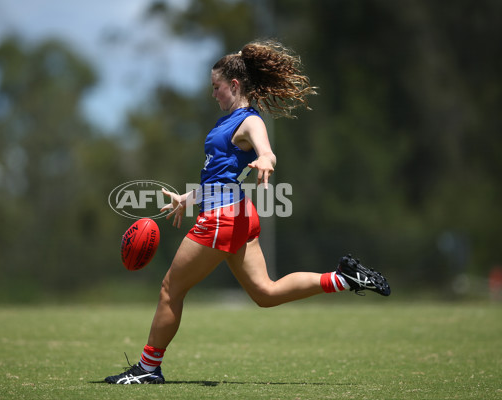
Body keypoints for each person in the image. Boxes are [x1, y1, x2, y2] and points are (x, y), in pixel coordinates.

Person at [105, 40, 390, 385]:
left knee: (170, 289)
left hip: (224, 218)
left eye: (216, 87)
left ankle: (148, 368)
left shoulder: (248, 121)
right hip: (237, 213)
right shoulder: (228, 123)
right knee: (265, 293)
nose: (213, 94)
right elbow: (220, 178)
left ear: (234, 85)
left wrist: (265, 161)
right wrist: (187, 198)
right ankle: (344, 277)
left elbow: (267, 151)